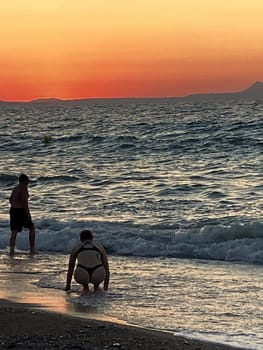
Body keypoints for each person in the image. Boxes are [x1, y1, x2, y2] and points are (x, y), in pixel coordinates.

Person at [66, 229, 110, 293]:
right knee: (97, 288)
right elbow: (106, 268)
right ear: (92, 238)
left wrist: (68, 286)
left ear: (81, 238)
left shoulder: (76, 247)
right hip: (97, 272)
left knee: (85, 289)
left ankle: (85, 289)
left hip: (82, 272)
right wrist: (106, 288)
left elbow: (71, 267)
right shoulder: (99, 246)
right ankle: (96, 289)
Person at [9, 173, 36, 255]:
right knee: (32, 228)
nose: (28, 183)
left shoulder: (15, 188)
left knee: (14, 231)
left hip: (13, 210)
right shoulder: (23, 188)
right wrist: (28, 214)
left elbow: (10, 199)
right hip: (21, 211)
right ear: (24, 181)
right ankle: (32, 249)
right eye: (27, 181)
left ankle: (11, 250)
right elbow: (25, 202)